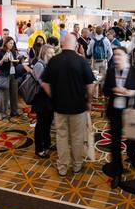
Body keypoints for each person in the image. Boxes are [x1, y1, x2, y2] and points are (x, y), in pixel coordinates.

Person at [41, 35, 95, 176]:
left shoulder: (54, 61)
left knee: (61, 137)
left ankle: (63, 167)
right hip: (78, 107)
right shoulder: (81, 61)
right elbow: (90, 86)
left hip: (59, 107)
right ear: (75, 45)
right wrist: (88, 101)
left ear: (62, 44)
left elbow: (44, 83)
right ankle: (77, 165)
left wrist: (53, 96)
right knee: (77, 137)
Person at [102, 47, 135, 188]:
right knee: (115, 142)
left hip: (130, 110)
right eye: (115, 55)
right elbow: (105, 90)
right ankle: (117, 172)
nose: (116, 57)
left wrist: (131, 92)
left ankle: (132, 157)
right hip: (115, 111)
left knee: (132, 137)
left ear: (127, 57)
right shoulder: (111, 71)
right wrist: (114, 89)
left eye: (119, 55)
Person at [30, 45, 56, 158]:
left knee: (48, 123)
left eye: (53, 53)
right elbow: (42, 83)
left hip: (47, 99)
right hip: (41, 99)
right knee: (41, 124)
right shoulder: (39, 65)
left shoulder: (47, 64)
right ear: (44, 53)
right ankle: (39, 149)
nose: (53, 55)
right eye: (50, 53)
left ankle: (47, 143)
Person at [0, 37, 20, 118]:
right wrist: (2, 60)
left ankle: (14, 111)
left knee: (14, 94)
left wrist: (18, 61)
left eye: (12, 43)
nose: (12, 45)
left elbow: (15, 63)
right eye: (10, 43)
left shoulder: (13, 51)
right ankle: (1, 113)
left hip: (13, 75)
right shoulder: (0, 52)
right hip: (4, 75)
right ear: (6, 43)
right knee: (3, 96)